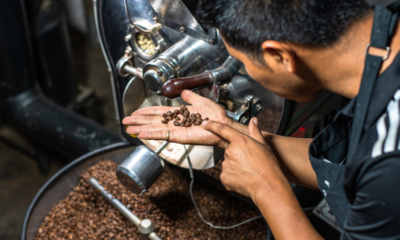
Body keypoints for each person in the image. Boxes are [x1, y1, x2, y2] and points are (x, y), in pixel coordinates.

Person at [123, 0, 400, 239]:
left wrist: (266, 187)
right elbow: (353, 164)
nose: (249, 73)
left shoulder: (388, 161)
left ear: (279, 56)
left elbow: (378, 170)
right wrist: (231, 132)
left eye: (242, 61)